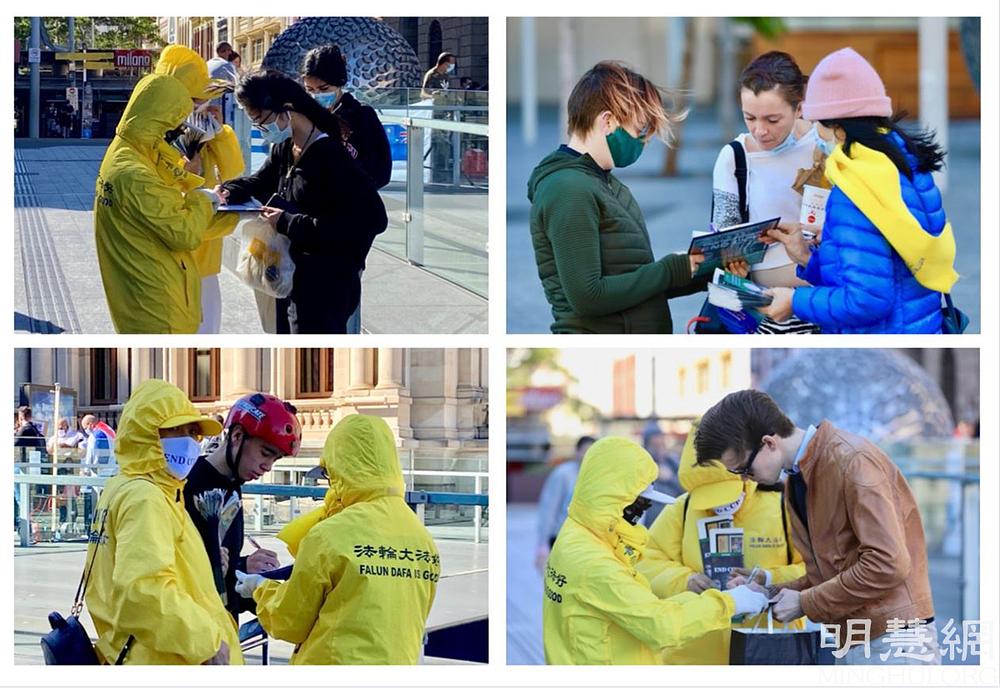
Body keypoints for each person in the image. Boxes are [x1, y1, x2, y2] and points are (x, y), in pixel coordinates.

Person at [695, 389, 939, 665]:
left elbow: (888, 564)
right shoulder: (799, 478)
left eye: (744, 469)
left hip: (895, 642)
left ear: (768, 442)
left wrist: (805, 603)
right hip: (858, 640)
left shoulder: (852, 460)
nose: (747, 480)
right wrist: (769, 591)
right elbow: (831, 573)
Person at [758, 48, 958, 333]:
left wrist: (793, 300)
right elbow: (890, 268)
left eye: (818, 124)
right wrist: (807, 256)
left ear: (839, 128)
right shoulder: (905, 165)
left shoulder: (855, 188)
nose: (816, 133)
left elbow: (866, 300)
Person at [542, 436, 769, 664]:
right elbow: (662, 625)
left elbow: (643, 608)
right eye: (641, 504)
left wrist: (723, 598)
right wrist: (729, 604)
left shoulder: (576, 533)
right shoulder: (597, 565)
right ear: (617, 500)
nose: (642, 514)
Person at [234, 415, 439, 664]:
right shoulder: (422, 538)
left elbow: (290, 622)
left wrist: (260, 589)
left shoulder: (329, 534)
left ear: (339, 467)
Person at [528, 61, 707, 334]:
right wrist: (671, 269)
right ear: (608, 121)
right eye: (639, 130)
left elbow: (634, 283)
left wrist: (704, 271)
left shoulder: (604, 182)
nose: (643, 142)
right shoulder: (568, 188)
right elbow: (589, 296)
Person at [83, 379, 242, 664]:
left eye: (193, 431)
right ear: (146, 433)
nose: (189, 440)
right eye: (175, 429)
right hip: (161, 656)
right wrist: (207, 642)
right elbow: (142, 590)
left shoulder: (129, 486)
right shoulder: (146, 496)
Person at [219, 71, 388, 334]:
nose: (261, 130)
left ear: (286, 110)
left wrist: (287, 222)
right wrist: (227, 192)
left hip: (325, 285)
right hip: (290, 275)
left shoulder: (331, 156)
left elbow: (371, 219)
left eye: (261, 121)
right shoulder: (287, 149)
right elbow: (260, 181)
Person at [637, 419, 806, 664]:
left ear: (744, 471)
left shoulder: (782, 506)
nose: (717, 505)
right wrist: (685, 580)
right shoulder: (682, 510)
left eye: (724, 490)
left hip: (769, 648)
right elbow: (645, 562)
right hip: (695, 654)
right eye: (707, 495)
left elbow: (814, 570)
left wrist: (768, 579)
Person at [94, 46, 227, 333]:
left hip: (149, 293)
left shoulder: (129, 150)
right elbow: (184, 232)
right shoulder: (134, 173)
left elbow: (165, 173)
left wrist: (193, 183)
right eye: (177, 117)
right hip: (158, 304)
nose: (181, 127)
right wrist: (203, 198)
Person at [711, 51, 820, 334]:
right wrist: (731, 259)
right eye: (750, 117)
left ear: (799, 108)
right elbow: (724, 236)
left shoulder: (825, 147)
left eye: (773, 120)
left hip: (824, 302)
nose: (760, 131)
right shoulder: (734, 157)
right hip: (765, 311)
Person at [301, 44, 393, 334]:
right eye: (309, 88)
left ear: (340, 83)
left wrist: (348, 172)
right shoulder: (306, 115)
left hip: (349, 221)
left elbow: (381, 171)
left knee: (341, 295)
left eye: (323, 87)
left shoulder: (361, 117)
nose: (316, 94)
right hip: (312, 222)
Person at [185, 393, 301, 621]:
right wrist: (241, 564)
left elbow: (224, 568)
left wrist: (249, 573)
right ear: (237, 435)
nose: (267, 466)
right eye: (265, 453)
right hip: (192, 630)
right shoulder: (187, 484)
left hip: (222, 626)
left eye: (275, 459)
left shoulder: (233, 487)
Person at [154, 45, 244, 334]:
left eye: (203, 100)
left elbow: (234, 174)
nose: (197, 107)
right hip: (170, 258)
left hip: (205, 260)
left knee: (208, 328)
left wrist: (219, 135)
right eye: (194, 100)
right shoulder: (155, 132)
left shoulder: (213, 133)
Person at [534, 435, 595, 571]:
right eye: (585, 450)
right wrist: (542, 544)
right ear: (577, 452)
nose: (588, 455)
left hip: (586, 542)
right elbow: (549, 508)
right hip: (561, 538)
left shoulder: (597, 477)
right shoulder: (563, 474)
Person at [423, 52, 457, 183]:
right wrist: (433, 96)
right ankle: (435, 173)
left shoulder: (446, 76)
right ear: (444, 62)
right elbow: (423, 92)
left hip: (446, 114)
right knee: (437, 144)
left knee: (446, 145)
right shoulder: (432, 75)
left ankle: (445, 171)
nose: (452, 66)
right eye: (451, 63)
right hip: (435, 114)